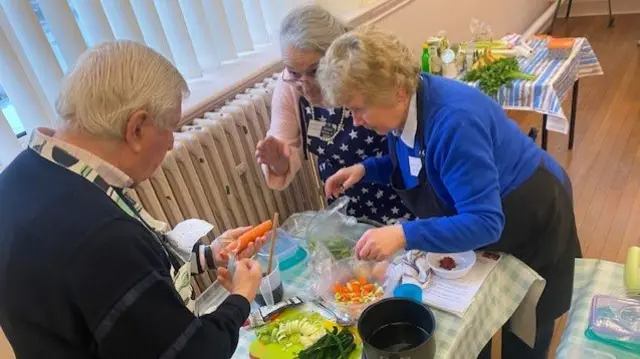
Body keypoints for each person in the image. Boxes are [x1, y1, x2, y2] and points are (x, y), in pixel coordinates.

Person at [318, 27, 582, 359]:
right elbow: (419, 161)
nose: (356, 122)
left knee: (526, 327)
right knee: (482, 317)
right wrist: (368, 169)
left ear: (398, 91)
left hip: (533, 211)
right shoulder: (405, 106)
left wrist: (403, 233)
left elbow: (485, 223)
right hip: (489, 209)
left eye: (359, 109)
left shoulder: (455, 123)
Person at [0, 41, 265, 359]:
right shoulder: (103, 235)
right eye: (171, 128)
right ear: (137, 128)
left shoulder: (19, 178)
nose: (170, 144)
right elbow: (193, 353)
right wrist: (240, 297)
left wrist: (209, 256)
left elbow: (118, 290)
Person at [255, 5, 413, 225]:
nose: (305, 85)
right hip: (344, 202)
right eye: (294, 73)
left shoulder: (367, 70)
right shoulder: (290, 84)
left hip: (400, 196)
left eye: (314, 71)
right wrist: (279, 161)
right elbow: (282, 156)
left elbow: (414, 153)